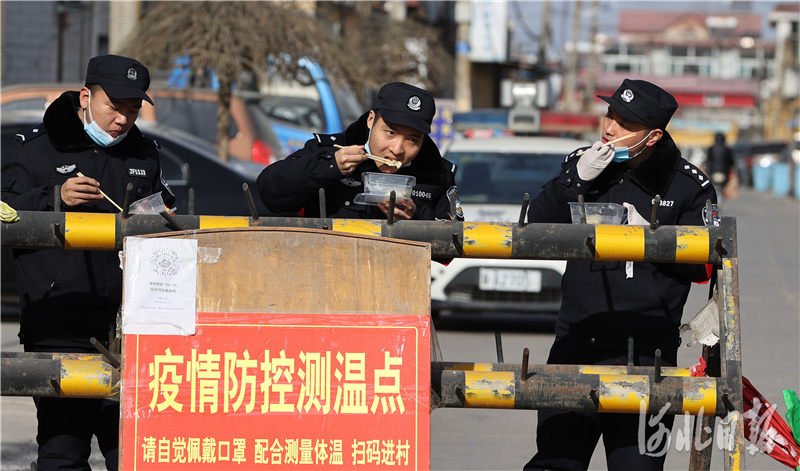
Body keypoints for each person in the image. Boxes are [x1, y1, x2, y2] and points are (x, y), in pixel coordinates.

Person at [524, 79, 716, 470]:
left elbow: (703, 267)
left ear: (653, 136)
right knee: (555, 463)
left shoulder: (689, 185)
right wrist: (576, 179)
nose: (609, 128)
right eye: (610, 114)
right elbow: (532, 226)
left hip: (648, 355)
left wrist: (650, 237)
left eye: (624, 123)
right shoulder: (584, 161)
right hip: (575, 342)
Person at [1, 54, 175, 471]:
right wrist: (54, 199)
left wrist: (162, 218)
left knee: (135, 457)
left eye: (132, 111)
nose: (122, 120)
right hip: (60, 325)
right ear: (85, 96)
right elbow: (5, 209)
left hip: (132, 332)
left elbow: (163, 220)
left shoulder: (144, 155)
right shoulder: (34, 152)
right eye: (114, 107)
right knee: (63, 455)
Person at [256, 82, 463, 222]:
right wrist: (330, 167)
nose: (397, 149)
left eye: (412, 139)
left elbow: (455, 245)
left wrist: (416, 218)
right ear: (371, 120)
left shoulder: (436, 173)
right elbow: (270, 193)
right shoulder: (331, 150)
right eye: (390, 132)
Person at [705, 131, 736, 202]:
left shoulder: (711, 149)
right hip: (724, 173)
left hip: (712, 173)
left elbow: (708, 161)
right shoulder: (727, 149)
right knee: (722, 189)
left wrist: (708, 171)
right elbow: (731, 162)